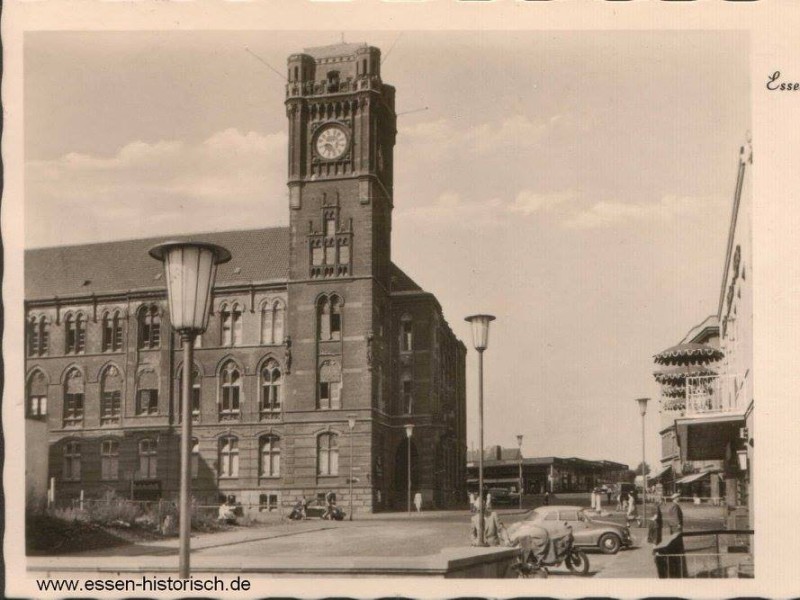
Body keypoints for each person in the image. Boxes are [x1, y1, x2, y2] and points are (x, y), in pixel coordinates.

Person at [653, 492, 687, 577]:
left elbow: (670, 517)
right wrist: (678, 524)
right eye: (678, 497)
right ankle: (678, 550)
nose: (679, 498)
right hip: (676, 527)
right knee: (677, 538)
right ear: (675, 498)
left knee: (675, 538)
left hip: (673, 526)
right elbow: (675, 516)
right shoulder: (675, 506)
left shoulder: (671, 506)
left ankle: (677, 549)